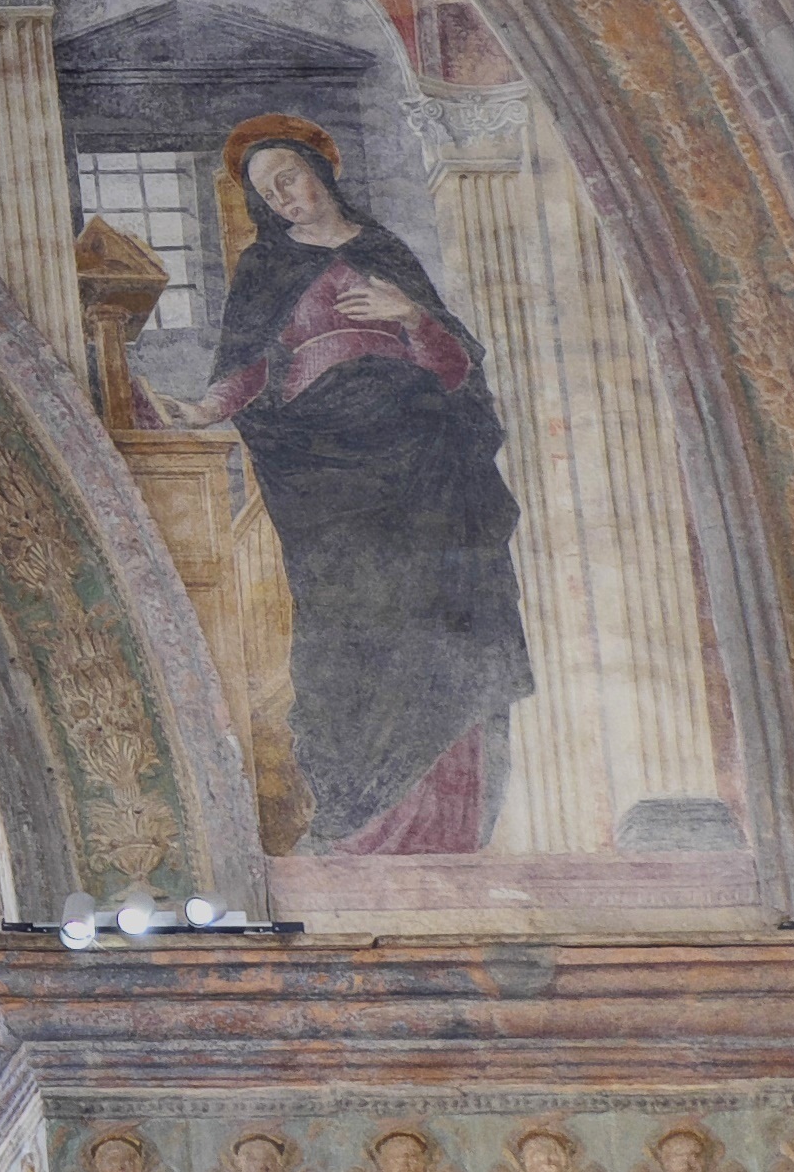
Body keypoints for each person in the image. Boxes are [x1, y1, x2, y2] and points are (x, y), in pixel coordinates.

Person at [179, 125, 532, 854]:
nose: (282, 197)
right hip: (325, 475)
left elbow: (457, 370)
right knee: (345, 637)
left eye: (289, 177)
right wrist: (205, 408)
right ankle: (354, 818)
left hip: (423, 467)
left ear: (321, 174)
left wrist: (412, 318)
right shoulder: (265, 268)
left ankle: (444, 824)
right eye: (267, 191)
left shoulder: (384, 256)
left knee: (439, 625)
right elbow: (247, 368)